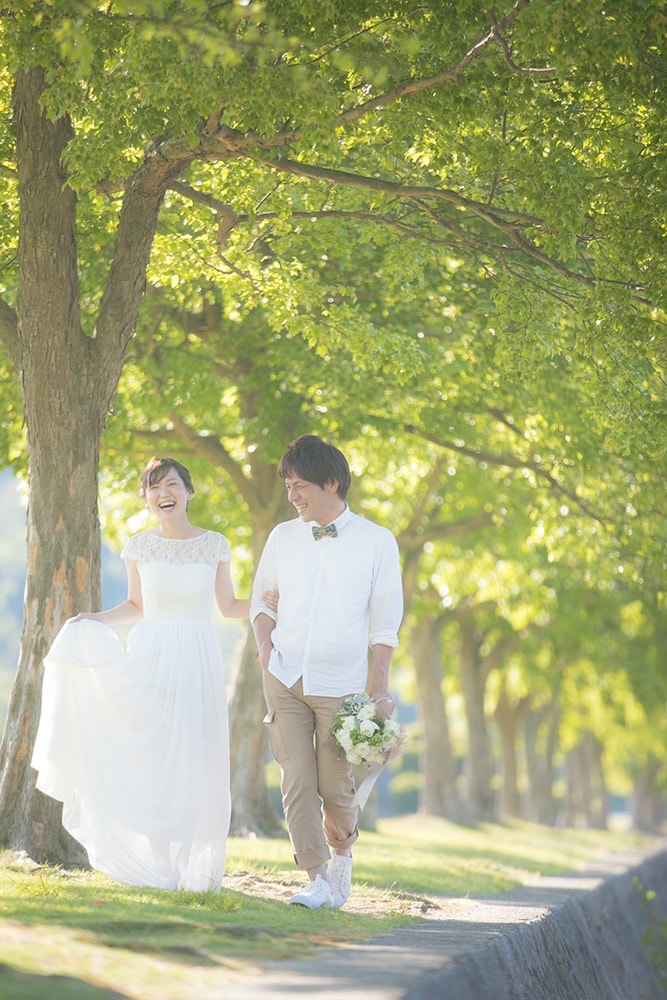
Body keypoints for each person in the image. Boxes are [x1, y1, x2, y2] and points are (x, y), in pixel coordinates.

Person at [32, 456, 266, 892]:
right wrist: (93, 619)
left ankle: (189, 862)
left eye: (173, 485)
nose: (165, 493)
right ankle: (159, 865)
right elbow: (136, 607)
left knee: (194, 757)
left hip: (197, 657)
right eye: (155, 487)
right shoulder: (139, 546)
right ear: (146, 498)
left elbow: (229, 606)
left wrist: (270, 604)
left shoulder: (214, 543)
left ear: (189, 493)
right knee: (156, 754)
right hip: (150, 654)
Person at [250, 435, 403, 910]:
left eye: (299, 486)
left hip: (340, 683)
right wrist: (263, 647)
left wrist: (378, 687)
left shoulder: (377, 542)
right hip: (285, 673)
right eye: (288, 487)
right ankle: (315, 879)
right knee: (295, 778)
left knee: (335, 787)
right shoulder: (282, 537)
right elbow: (261, 599)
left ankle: (341, 854)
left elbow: (384, 621)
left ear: (331, 483)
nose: (292, 496)